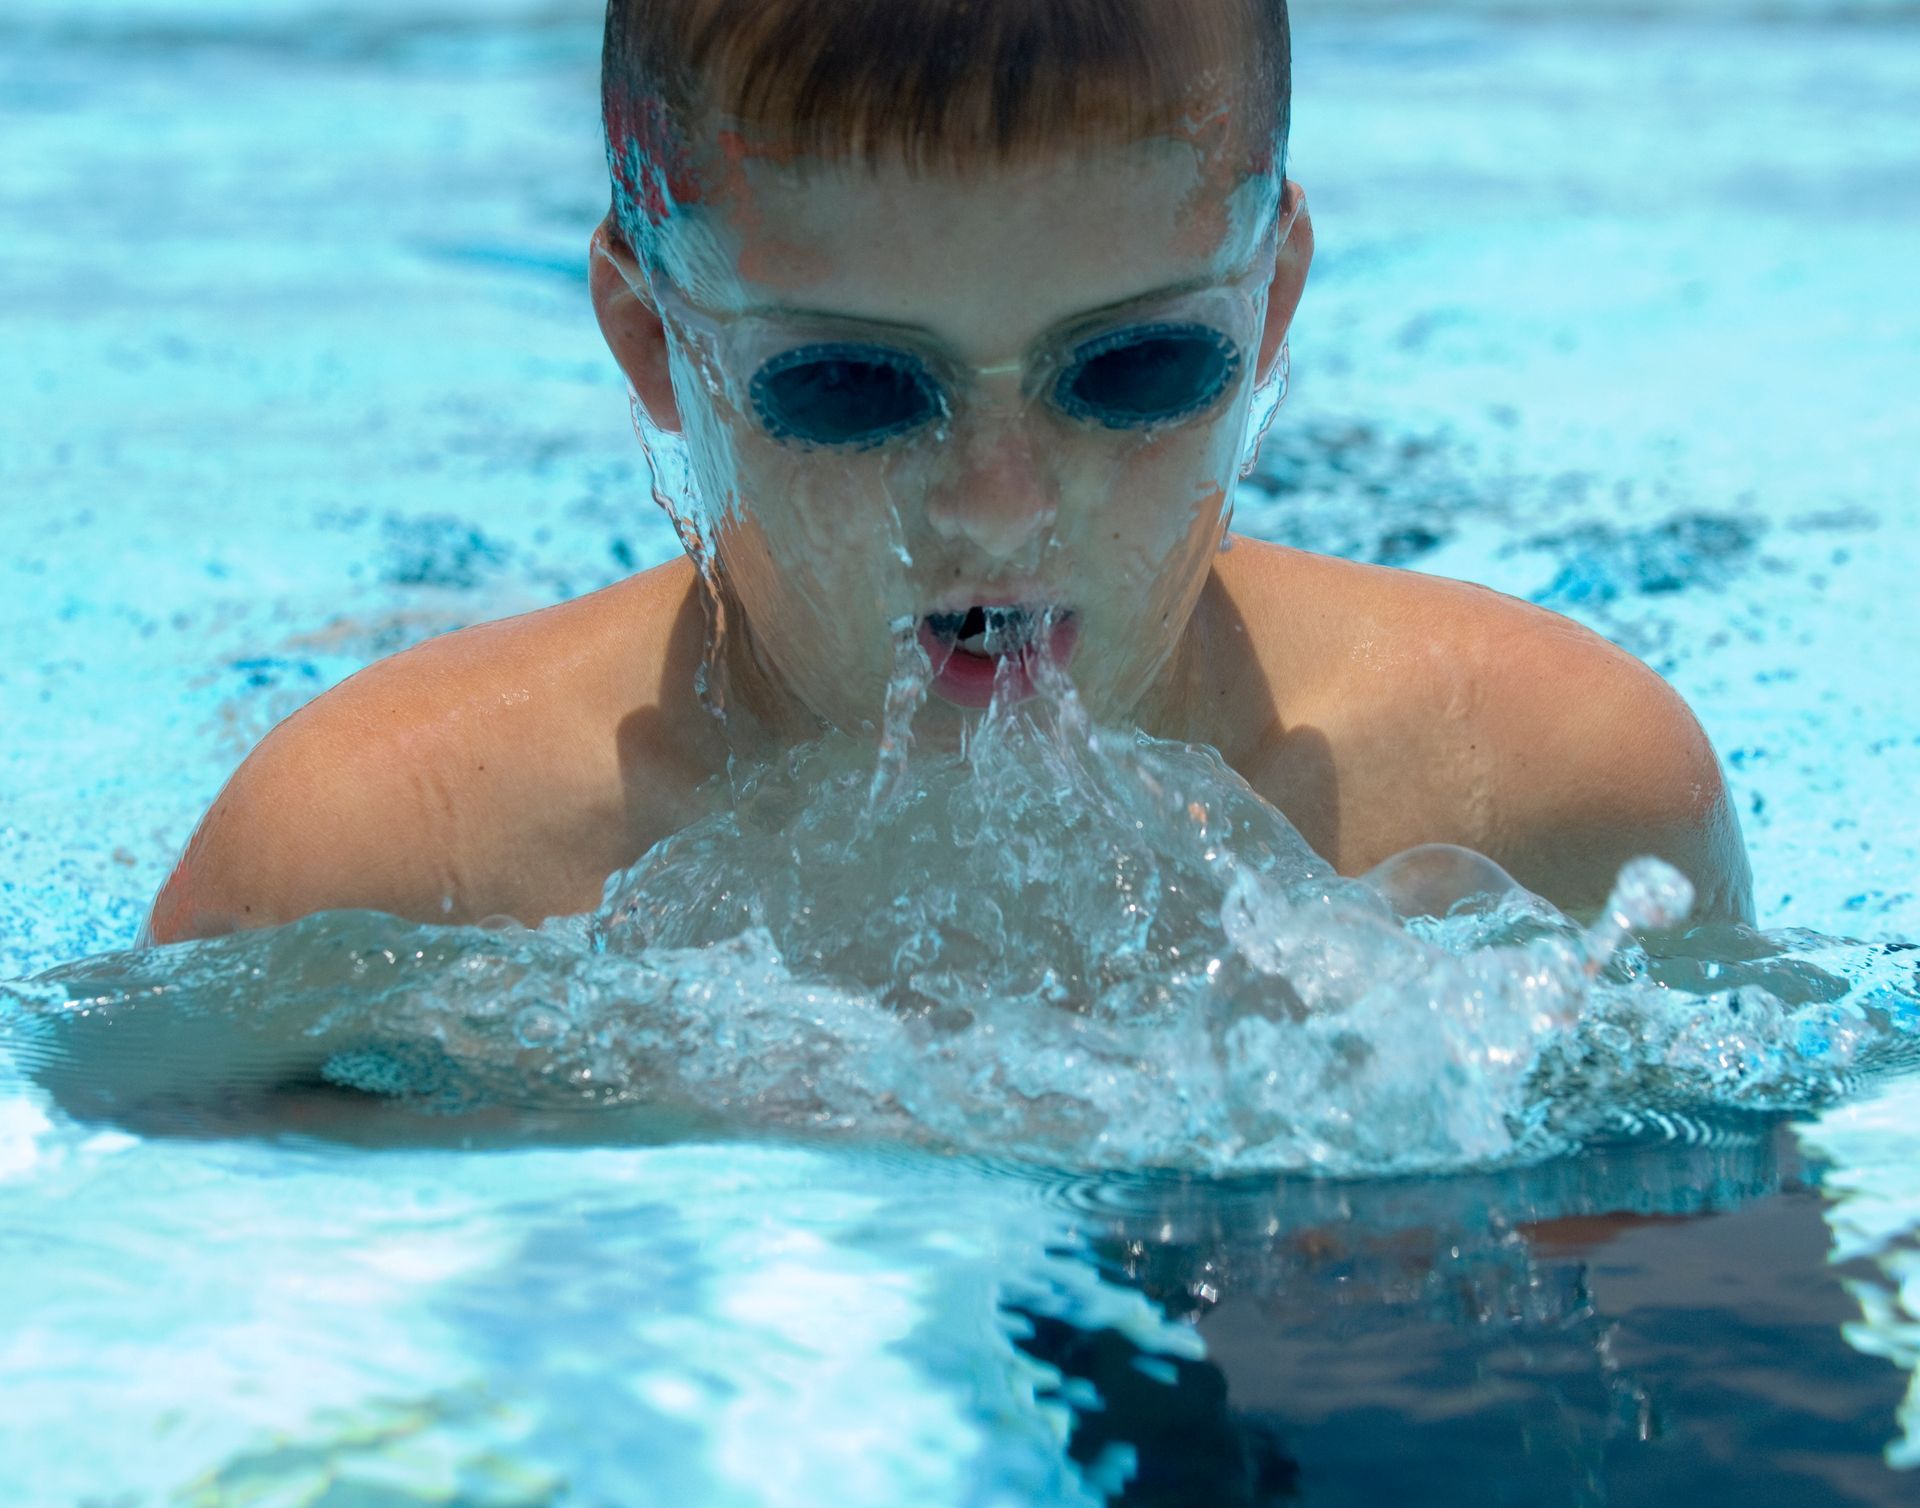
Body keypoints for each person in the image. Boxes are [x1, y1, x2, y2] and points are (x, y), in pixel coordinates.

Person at [146, 0, 1753, 946]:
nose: (998, 506)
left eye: (1134, 370)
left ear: (1267, 313)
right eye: (849, 388)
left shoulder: (1539, 817)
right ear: (654, 346)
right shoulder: (382, 868)